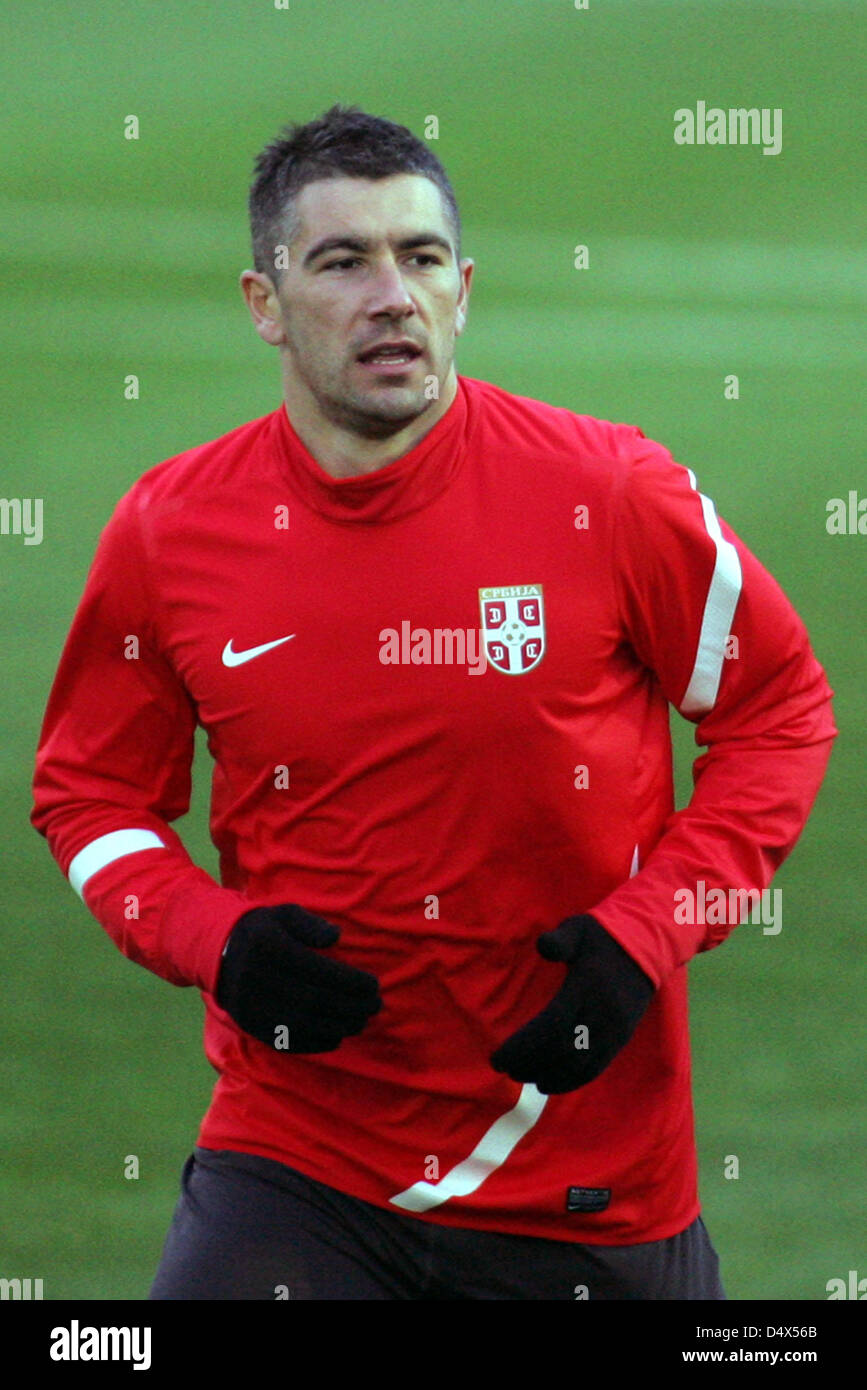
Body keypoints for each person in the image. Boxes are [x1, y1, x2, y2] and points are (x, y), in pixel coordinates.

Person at [31, 105, 836, 1301]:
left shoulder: (607, 492)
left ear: (463, 289)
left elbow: (778, 711)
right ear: (265, 303)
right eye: (343, 261)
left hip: (582, 1174)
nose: (391, 294)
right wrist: (215, 940)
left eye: (418, 259)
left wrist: (651, 930)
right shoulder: (171, 528)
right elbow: (89, 790)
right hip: (295, 1157)